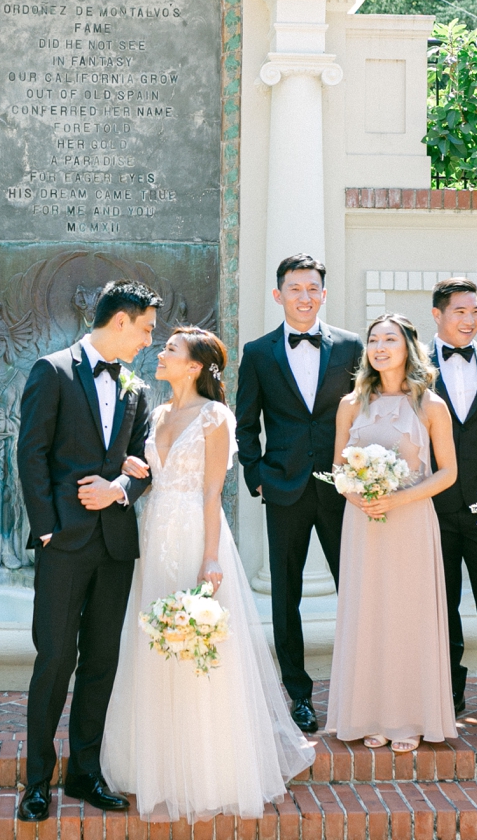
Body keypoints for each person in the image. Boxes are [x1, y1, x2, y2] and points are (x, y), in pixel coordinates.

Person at [102, 328, 314, 818]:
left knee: (197, 638)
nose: (161, 353)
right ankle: (153, 756)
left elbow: (213, 491)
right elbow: (154, 478)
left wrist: (211, 556)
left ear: (195, 366)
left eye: (171, 349)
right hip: (154, 535)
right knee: (155, 636)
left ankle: (207, 764)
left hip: (196, 534)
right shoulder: (155, 414)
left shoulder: (216, 416)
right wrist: (135, 469)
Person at [15, 280, 158, 824]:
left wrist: (121, 489)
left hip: (116, 544)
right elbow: (31, 455)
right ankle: (36, 780)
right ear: (120, 322)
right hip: (65, 543)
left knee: (101, 661)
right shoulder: (50, 371)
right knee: (55, 659)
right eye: (145, 329)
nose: (148, 340)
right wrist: (48, 529)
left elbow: (143, 462)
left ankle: (85, 772)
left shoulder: (137, 389)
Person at [234, 253, 363, 734]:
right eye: (295, 289)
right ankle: (300, 694)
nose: (304, 297)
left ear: (323, 294)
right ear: (278, 295)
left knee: (354, 587)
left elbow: (367, 412)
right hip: (283, 486)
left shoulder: (351, 347)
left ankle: (357, 687)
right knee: (285, 595)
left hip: (342, 490)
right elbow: (245, 424)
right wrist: (257, 474)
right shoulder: (259, 353)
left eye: (313, 289)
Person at [327, 313, 457, 750]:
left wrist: (396, 499)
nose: (380, 347)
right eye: (374, 340)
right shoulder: (351, 404)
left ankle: (409, 718)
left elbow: (448, 474)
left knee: (408, 614)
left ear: (408, 348)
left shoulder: (431, 406)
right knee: (369, 612)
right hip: (363, 521)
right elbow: (337, 469)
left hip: (411, 518)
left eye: (390, 340)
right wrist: (358, 497)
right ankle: (370, 715)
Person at [427, 278, 477, 718]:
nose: (470, 319)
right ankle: (448, 691)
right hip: (433, 507)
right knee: (442, 604)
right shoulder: (412, 364)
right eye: (460, 311)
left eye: (475, 311)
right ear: (437, 315)